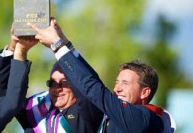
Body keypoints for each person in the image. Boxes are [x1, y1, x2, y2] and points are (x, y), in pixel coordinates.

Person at [28, 19, 176, 133]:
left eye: (125, 83)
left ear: (145, 92)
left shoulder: (145, 119)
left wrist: (57, 45)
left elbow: (94, 89)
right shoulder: (118, 115)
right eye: (117, 82)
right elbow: (93, 83)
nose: (117, 89)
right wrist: (65, 43)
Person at [0, 26, 103, 132]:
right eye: (52, 83)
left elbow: (90, 84)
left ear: (75, 84)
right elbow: (1, 87)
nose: (57, 88)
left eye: (63, 83)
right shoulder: (38, 107)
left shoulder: (88, 110)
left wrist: (60, 44)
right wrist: (15, 47)